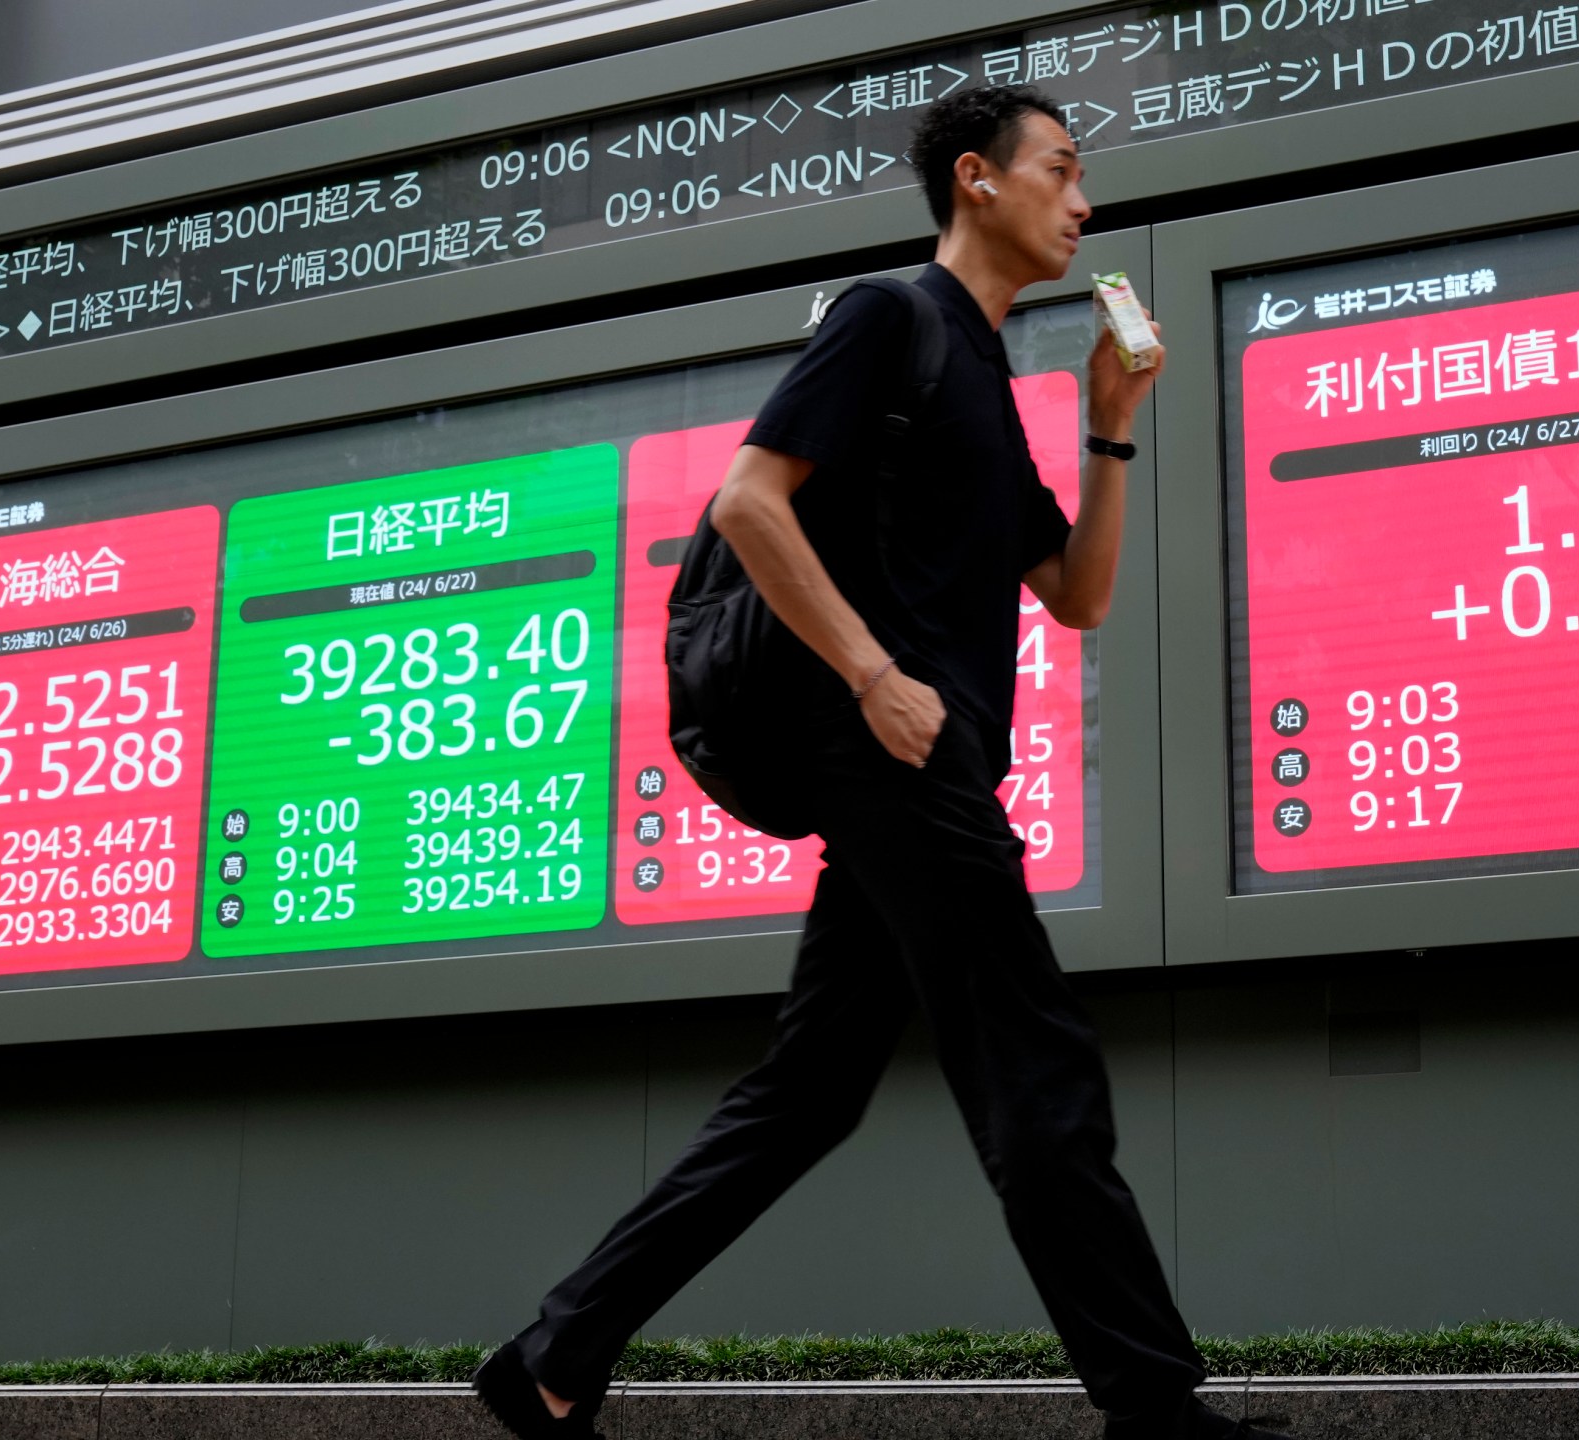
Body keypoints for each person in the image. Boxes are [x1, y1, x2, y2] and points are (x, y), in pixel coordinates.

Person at [472, 86, 1293, 1440]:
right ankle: (1156, 1410)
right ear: (977, 180)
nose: (1084, 202)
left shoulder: (984, 377)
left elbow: (1075, 592)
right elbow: (749, 498)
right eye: (1063, 171)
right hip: (895, 755)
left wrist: (1111, 423)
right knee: (1036, 1062)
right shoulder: (889, 318)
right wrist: (873, 675)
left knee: (808, 1093)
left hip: (916, 766)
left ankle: (552, 1360)